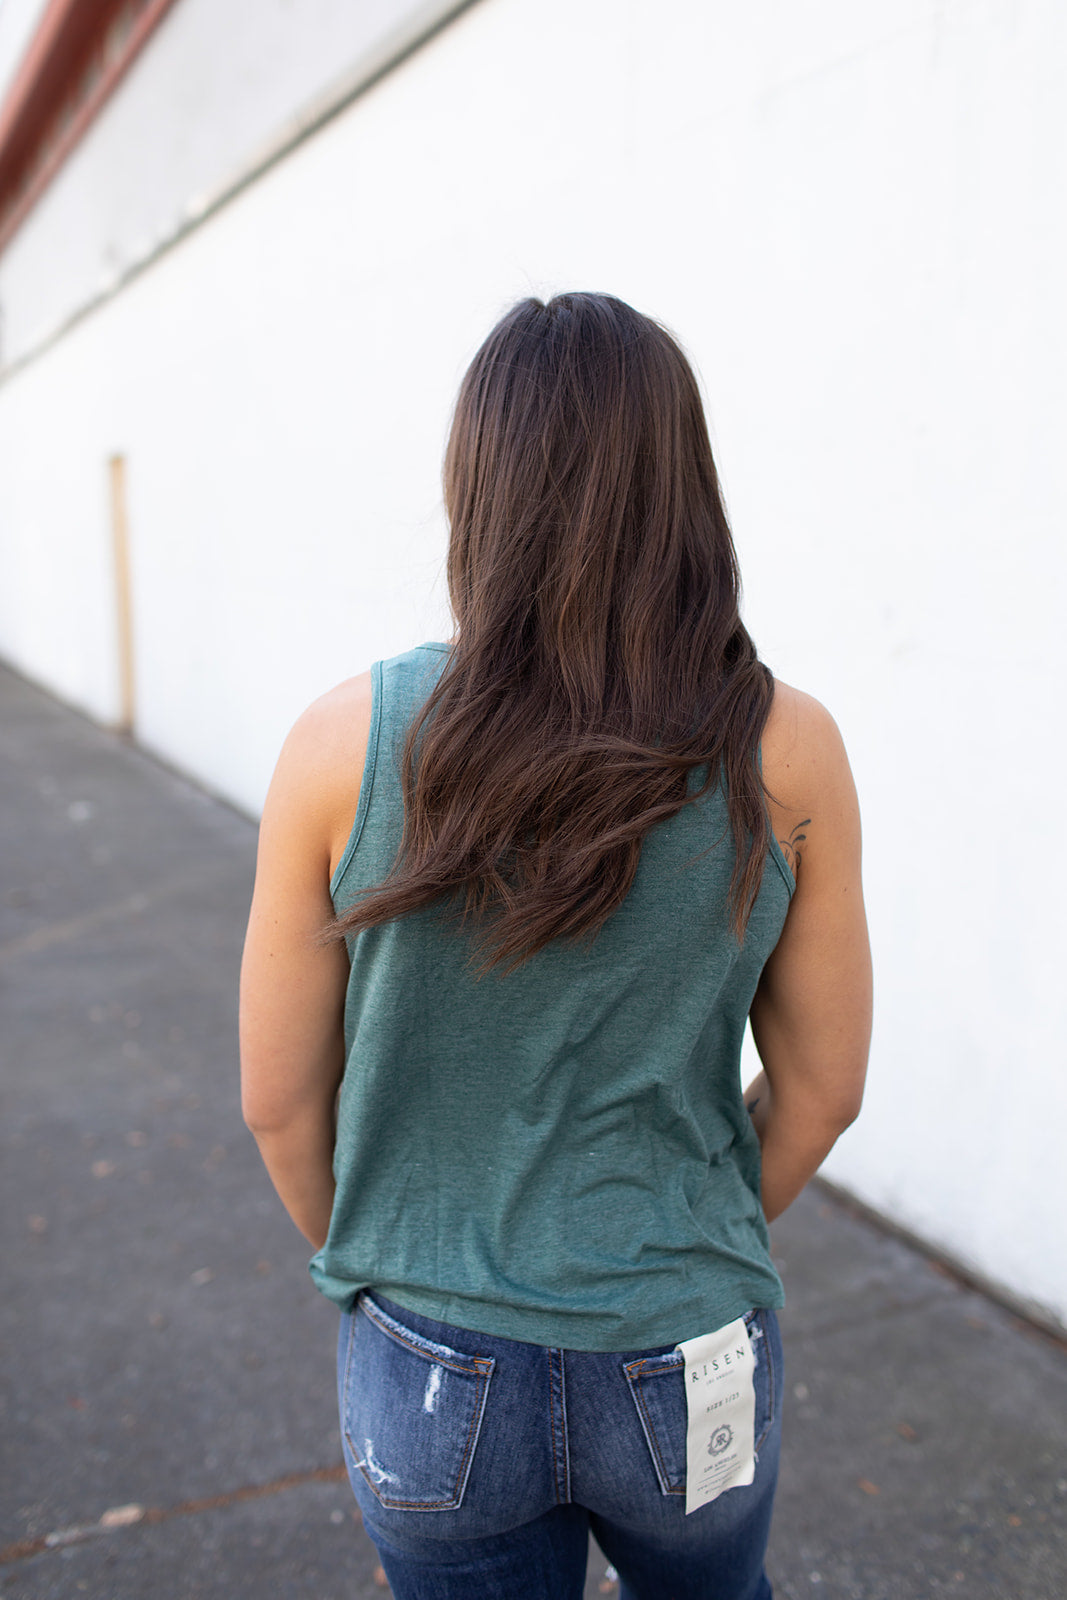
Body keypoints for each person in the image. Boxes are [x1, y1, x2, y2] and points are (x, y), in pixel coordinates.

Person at [239, 292, 872, 1600]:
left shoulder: (340, 746)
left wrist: (389, 1269)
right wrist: (687, 1235)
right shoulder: (789, 747)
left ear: (477, 484)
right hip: (685, 1344)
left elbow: (277, 1102)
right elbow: (825, 1090)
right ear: (684, 483)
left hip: (429, 1359)